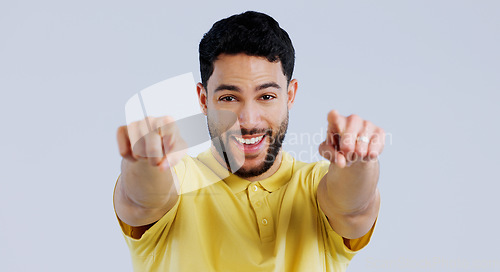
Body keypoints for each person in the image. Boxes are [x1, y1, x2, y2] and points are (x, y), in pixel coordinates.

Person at [114, 11, 385, 272]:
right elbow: (142, 201)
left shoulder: (315, 185)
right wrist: (146, 162)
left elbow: (353, 208)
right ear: (203, 99)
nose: (248, 120)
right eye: (229, 98)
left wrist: (358, 161)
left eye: (266, 96)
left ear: (290, 95)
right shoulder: (182, 179)